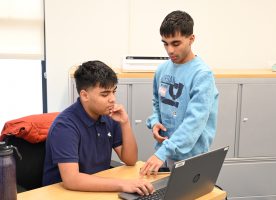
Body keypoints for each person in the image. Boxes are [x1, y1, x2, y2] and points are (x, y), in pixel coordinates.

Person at [43, 60, 154, 195]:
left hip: (97, 187)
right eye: (105, 94)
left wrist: (125, 123)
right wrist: (123, 184)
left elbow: (130, 160)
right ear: (84, 95)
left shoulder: (108, 116)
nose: (112, 99)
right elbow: (71, 180)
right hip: (64, 194)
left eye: (114, 91)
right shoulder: (65, 126)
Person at [140, 10, 219, 175]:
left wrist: (161, 153)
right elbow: (157, 102)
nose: (169, 50)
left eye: (176, 43)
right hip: (168, 153)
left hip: (192, 157)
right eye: (165, 43)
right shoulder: (162, 69)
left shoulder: (202, 74)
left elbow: (194, 122)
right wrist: (155, 122)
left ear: (191, 39)